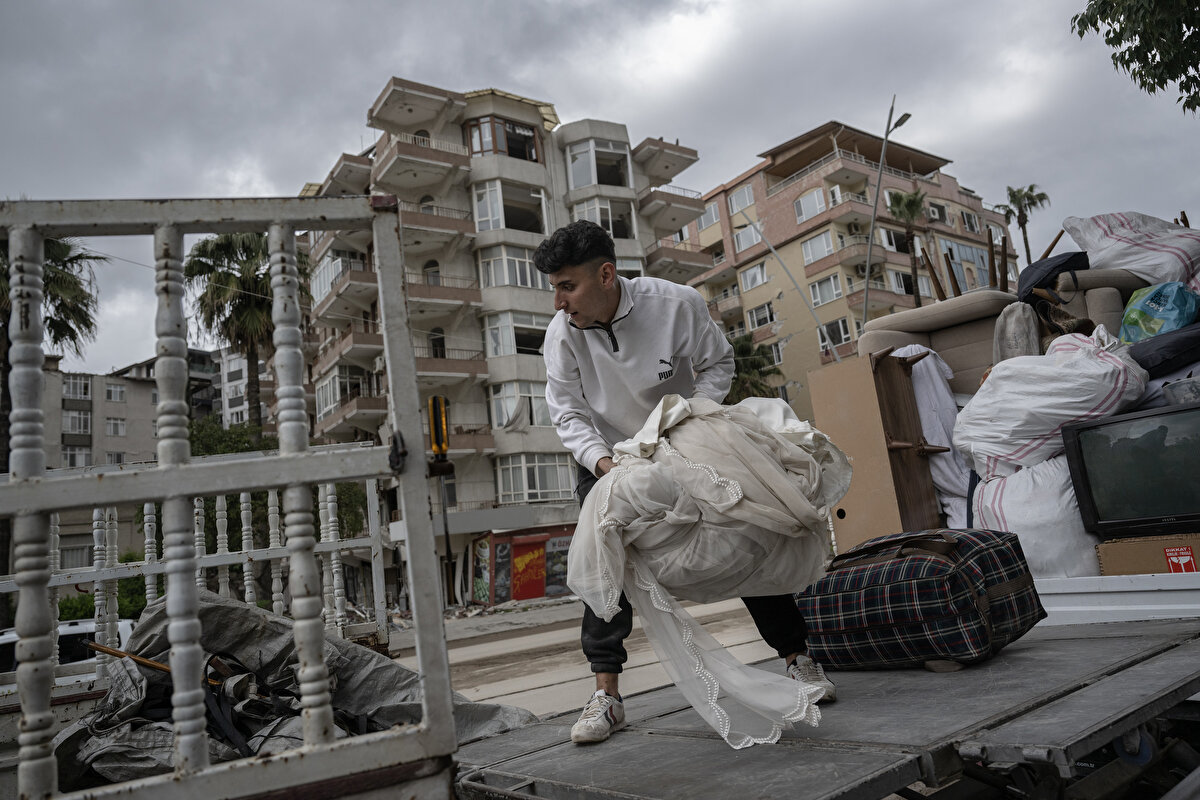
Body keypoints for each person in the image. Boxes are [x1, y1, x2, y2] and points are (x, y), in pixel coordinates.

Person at [535, 220, 836, 745]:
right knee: (601, 559)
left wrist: (689, 421)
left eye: (567, 285)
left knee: (748, 530)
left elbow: (719, 363)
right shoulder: (561, 337)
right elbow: (568, 414)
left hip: (688, 441)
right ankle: (607, 695)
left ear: (606, 274)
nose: (559, 301)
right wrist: (607, 465)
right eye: (555, 287)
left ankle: (798, 660)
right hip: (612, 460)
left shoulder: (676, 304)